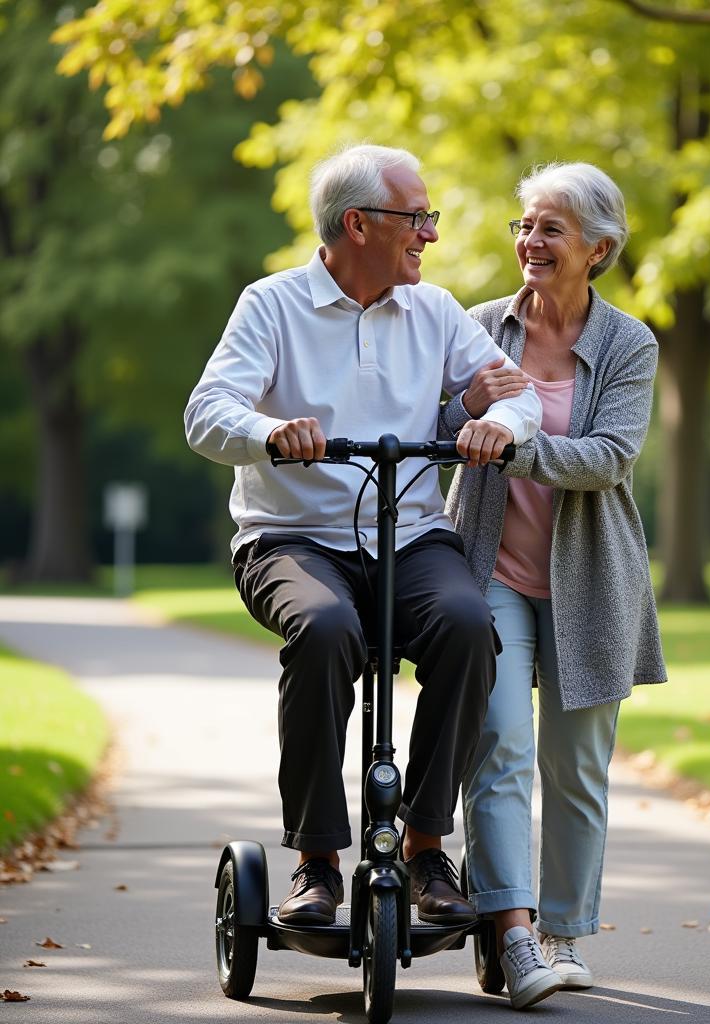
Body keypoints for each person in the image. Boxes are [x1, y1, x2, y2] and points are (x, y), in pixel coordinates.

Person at [185, 144, 541, 929]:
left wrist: (495, 424)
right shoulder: (271, 305)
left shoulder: (435, 311)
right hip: (290, 539)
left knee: (466, 625)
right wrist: (271, 432)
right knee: (325, 627)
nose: (430, 235)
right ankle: (316, 860)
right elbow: (206, 414)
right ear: (358, 224)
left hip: (410, 537)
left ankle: (423, 845)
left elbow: (519, 399)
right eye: (416, 218)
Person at [440, 162, 667, 1009]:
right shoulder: (474, 326)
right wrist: (464, 418)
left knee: (576, 767)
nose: (531, 243)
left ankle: (563, 931)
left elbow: (610, 456)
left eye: (551, 230)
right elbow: (436, 418)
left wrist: (512, 444)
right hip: (488, 566)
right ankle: (512, 929)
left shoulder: (627, 344)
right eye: (524, 226)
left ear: (598, 248)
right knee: (497, 747)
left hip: (588, 580)